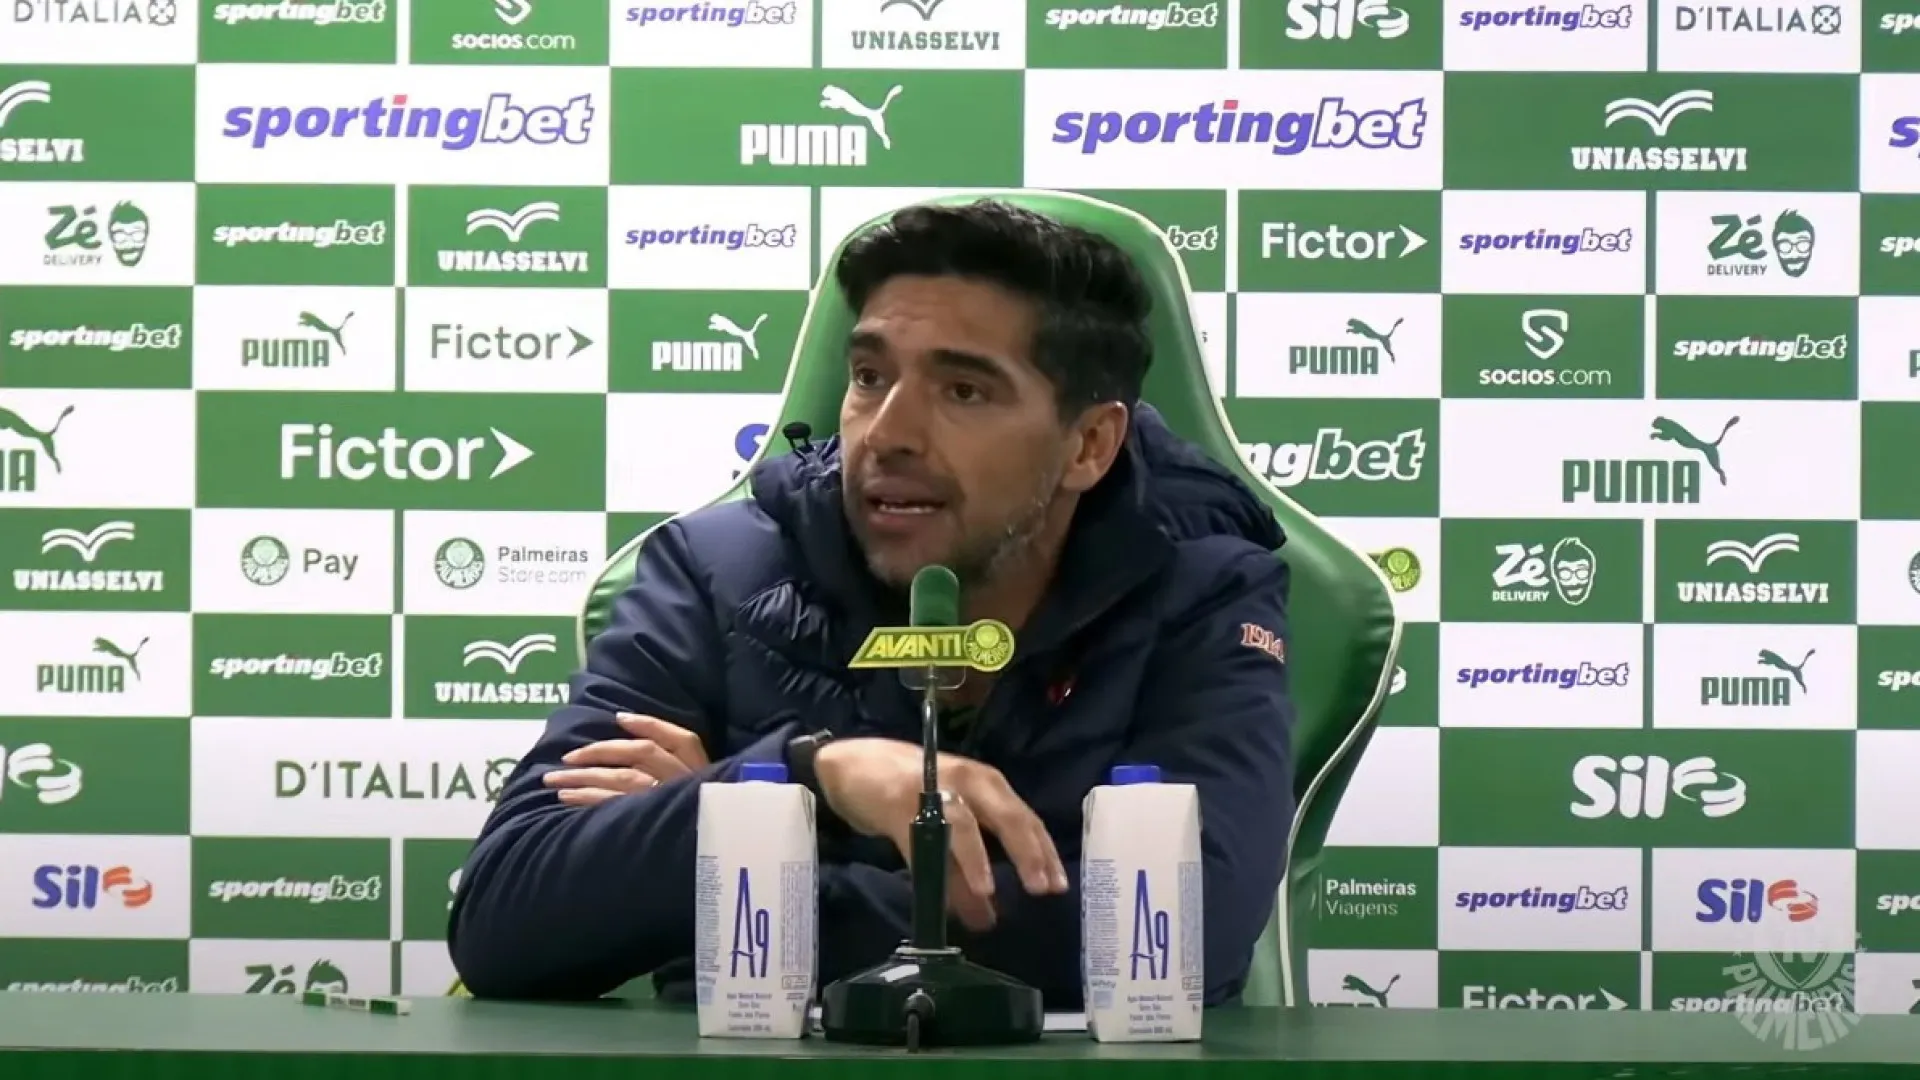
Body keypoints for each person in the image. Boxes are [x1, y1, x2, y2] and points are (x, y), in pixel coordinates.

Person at [447, 199, 1296, 1009]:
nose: (887, 433)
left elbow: (1178, 936)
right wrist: (810, 777)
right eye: (868, 376)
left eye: (963, 391)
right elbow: (502, 926)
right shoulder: (713, 572)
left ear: (1089, 444)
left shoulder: (1204, 593)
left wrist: (740, 855)